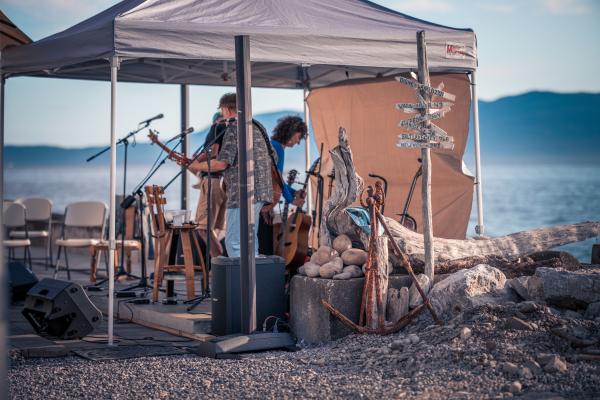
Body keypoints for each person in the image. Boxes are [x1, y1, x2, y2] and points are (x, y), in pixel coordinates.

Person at [187, 93, 274, 257]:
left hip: (243, 193)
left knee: (234, 242)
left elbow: (221, 163)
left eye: (222, 110)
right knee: (250, 242)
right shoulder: (258, 126)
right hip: (261, 191)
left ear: (226, 109)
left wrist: (195, 165)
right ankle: (253, 274)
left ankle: (239, 275)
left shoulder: (234, 128)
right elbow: (272, 156)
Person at [258, 115, 308, 255]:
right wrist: (291, 199)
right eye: (299, 136)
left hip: (262, 199)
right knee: (264, 246)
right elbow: (278, 177)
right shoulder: (277, 148)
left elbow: (278, 180)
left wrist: (293, 192)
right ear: (292, 132)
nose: (298, 141)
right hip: (264, 202)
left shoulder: (274, 145)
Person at [190, 110, 228, 257]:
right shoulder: (230, 133)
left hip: (213, 181)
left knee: (203, 229)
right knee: (211, 229)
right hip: (223, 183)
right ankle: (220, 264)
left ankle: (219, 265)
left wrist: (196, 161)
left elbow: (211, 153)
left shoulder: (217, 128)